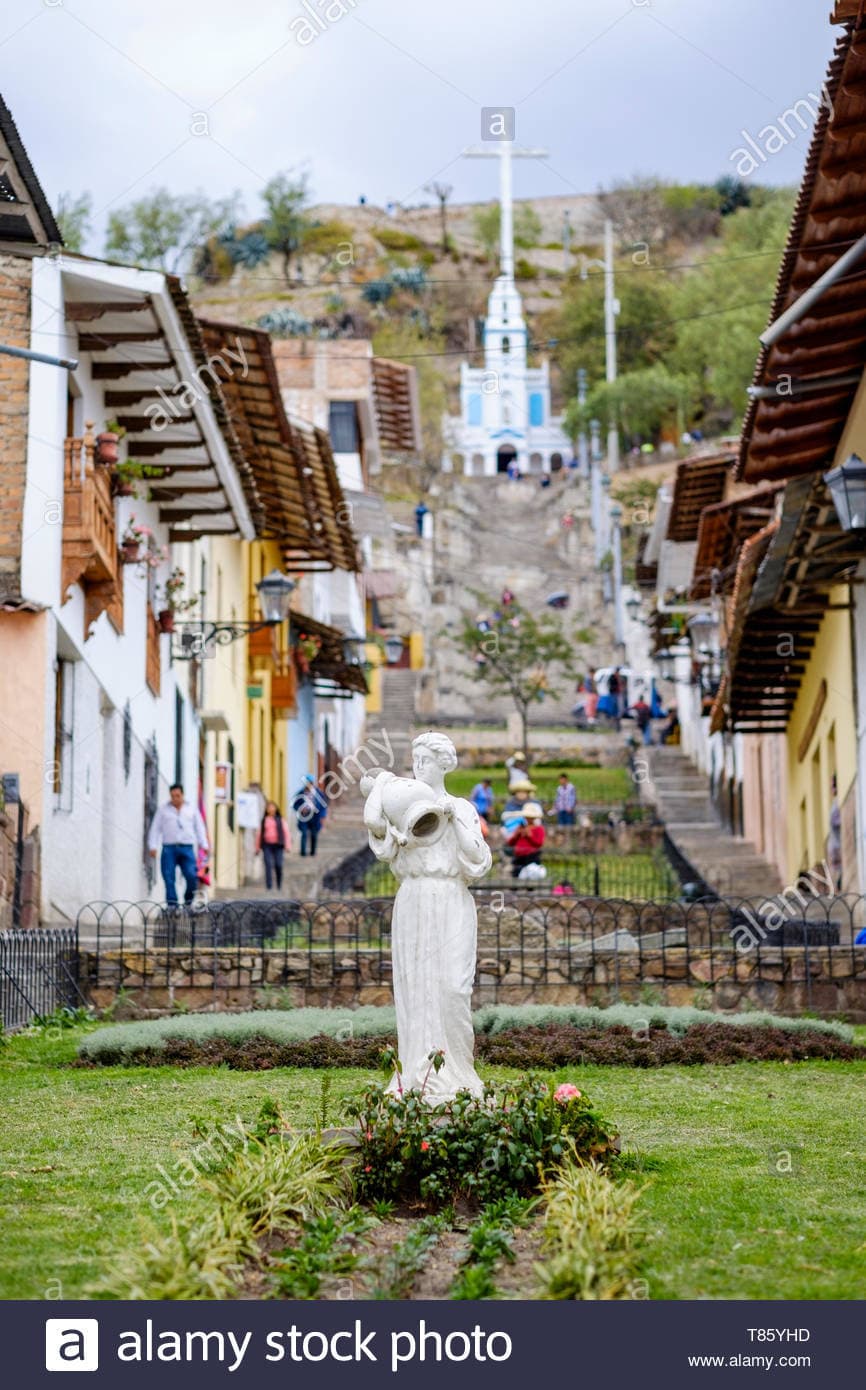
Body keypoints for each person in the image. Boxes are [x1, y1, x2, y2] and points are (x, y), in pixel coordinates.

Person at [362, 731, 491, 1099]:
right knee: (415, 990)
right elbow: (379, 836)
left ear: (443, 764)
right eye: (415, 758)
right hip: (415, 898)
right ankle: (417, 1075)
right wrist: (380, 789)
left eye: (426, 759)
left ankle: (459, 1073)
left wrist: (452, 821)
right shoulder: (401, 806)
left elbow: (478, 860)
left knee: (453, 988)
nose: (419, 766)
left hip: (451, 899)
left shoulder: (462, 807)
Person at [148, 783, 209, 907]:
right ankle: (172, 906)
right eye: (172, 796)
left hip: (187, 848)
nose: (175, 798)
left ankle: (188, 902)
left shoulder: (191, 809)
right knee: (169, 878)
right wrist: (152, 846)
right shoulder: (163, 810)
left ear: (182, 795)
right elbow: (155, 828)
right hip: (169, 848)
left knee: (192, 876)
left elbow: (199, 827)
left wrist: (204, 844)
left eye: (177, 795)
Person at [256, 800, 291, 890]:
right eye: (269, 807)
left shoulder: (280, 820)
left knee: (278, 864)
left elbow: (286, 833)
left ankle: (279, 883)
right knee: (268, 864)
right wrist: (257, 847)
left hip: (278, 845)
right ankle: (269, 886)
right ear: (266, 810)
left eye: (272, 807)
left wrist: (287, 846)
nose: (270, 809)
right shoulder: (264, 820)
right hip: (267, 845)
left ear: (275, 809)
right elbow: (259, 834)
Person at [507, 801, 545, 878]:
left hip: (531, 857)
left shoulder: (539, 829)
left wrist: (529, 836)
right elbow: (510, 842)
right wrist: (516, 835)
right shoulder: (520, 828)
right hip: (519, 858)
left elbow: (539, 843)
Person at [292, 775, 328, 856]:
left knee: (314, 834)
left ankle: (313, 852)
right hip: (304, 816)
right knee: (304, 833)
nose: (309, 784)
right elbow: (295, 804)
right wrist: (300, 809)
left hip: (315, 816)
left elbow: (323, 806)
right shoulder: (300, 793)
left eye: (311, 783)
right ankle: (303, 852)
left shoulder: (318, 793)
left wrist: (323, 816)